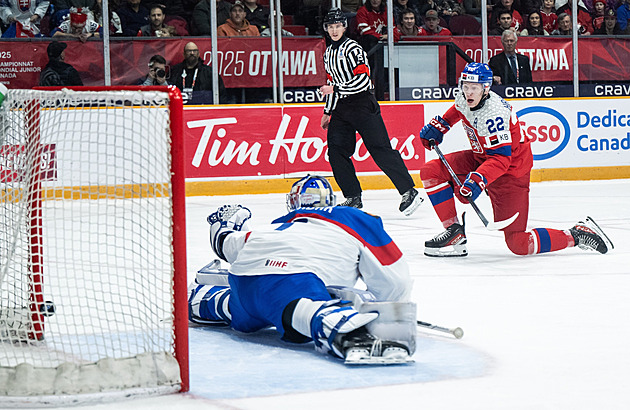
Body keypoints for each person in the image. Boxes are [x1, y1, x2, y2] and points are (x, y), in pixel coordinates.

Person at [188, 175, 416, 364]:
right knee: (301, 308)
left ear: (294, 202)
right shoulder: (353, 217)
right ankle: (344, 329)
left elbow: (226, 244)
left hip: (243, 284)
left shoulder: (278, 225)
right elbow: (395, 282)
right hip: (293, 283)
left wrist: (225, 226)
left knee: (245, 304)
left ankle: (202, 299)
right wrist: (383, 314)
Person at [417, 62, 613, 257]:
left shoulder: (494, 116)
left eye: (474, 88)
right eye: (466, 86)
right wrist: (442, 125)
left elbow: (502, 160)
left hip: (511, 170)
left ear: (486, 88)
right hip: (482, 159)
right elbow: (458, 110)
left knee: (518, 244)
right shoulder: (464, 97)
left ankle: (577, 235)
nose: (468, 92)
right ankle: (454, 233)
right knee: (430, 171)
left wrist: (478, 180)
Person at [319, 8, 422, 215]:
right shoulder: (328, 53)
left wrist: (336, 90)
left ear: (344, 27)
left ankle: (409, 191)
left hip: (363, 104)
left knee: (379, 148)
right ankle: (352, 197)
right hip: (341, 108)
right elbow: (331, 82)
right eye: (331, 27)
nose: (334, 30)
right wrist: (328, 111)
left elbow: (363, 80)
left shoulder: (353, 49)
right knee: (336, 151)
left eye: (338, 26)